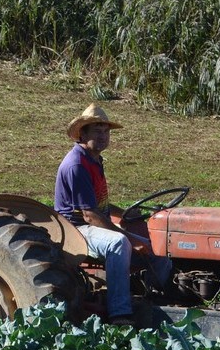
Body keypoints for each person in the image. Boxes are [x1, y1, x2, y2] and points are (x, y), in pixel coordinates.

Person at [54, 104, 171, 325]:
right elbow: (89, 215)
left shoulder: (94, 160)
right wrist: (130, 238)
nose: (103, 136)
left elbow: (99, 204)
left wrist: (124, 213)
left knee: (159, 248)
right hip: (76, 230)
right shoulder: (76, 165)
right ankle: (120, 314)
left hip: (92, 224)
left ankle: (155, 300)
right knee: (118, 243)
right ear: (82, 134)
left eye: (106, 131)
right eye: (97, 131)